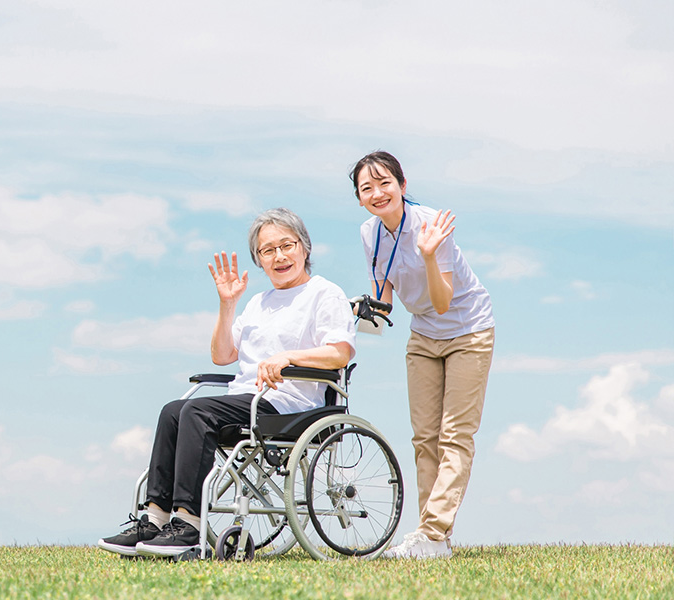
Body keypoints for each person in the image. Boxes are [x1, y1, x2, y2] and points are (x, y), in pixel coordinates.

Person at [97, 207, 357, 558]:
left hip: (290, 404)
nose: (279, 256)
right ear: (259, 260)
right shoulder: (257, 302)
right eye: (268, 250)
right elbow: (222, 356)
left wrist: (290, 357)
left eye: (286, 245)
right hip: (247, 400)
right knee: (174, 410)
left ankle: (188, 523)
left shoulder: (324, 294)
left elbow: (340, 352)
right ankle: (155, 518)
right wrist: (227, 304)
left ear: (304, 248)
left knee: (198, 411)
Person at [350, 151, 495, 559]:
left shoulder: (430, 224)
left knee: (455, 435)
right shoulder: (370, 233)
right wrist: (358, 309)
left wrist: (429, 254)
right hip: (423, 335)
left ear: (402, 185)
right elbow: (385, 302)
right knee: (424, 438)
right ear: (360, 198)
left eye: (385, 183)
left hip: (468, 328)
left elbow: (443, 301)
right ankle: (434, 540)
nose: (378, 193)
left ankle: (432, 534)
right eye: (367, 188)